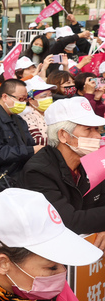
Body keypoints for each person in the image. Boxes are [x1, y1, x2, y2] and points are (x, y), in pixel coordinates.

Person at [23, 97, 105, 241]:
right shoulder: (38, 172)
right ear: (63, 135)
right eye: (88, 129)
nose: (97, 136)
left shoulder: (92, 162)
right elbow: (69, 221)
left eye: (97, 129)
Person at [19, 76, 56, 146]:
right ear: (31, 100)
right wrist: (63, 141)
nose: (48, 98)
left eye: (50, 95)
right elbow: (36, 140)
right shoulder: (26, 115)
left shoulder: (53, 111)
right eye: (44, 96)